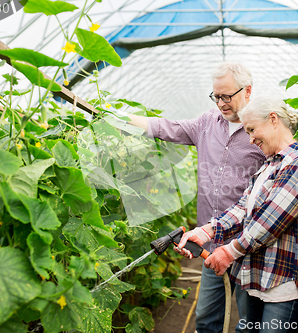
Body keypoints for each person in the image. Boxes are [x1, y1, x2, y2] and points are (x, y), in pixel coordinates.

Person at [125, 62, 265, 333]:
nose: (221, 103)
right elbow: (167, 128)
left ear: (247, 91)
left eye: (227, 96)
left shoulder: (259, 130)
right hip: (211, 242)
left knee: (249, 322)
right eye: (216, 96)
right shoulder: (205, 124)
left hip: (249, 245)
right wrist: (118, 118)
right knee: (206, 319)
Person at [178, 96, 298, 333]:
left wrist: (228, 251)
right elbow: (241, 209)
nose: (250, 139)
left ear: (274, 120)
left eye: (252, 129)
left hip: (285, 283)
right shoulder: (268, 166)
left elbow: (270, 220)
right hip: (257, 279)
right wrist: (206, 231)